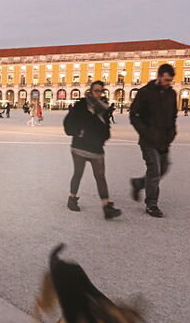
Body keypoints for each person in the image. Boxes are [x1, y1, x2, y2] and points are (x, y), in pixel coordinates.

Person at [63, 81, 121, 219]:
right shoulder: (81, 105)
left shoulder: (104, 108)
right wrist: (78, 133)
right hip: (79, 147)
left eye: (101, 91)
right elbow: (68, 123)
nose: (98, 93)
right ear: (90, 91)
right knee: (78, 173)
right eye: (96, 90)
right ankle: (72, 198)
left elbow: (106, 128)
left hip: (96, 147)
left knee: (100, 177)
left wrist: (103, 137)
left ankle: (107, 207)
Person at [129, 63, 177, 218]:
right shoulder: (145, 92)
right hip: (148, 140)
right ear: (159, 77)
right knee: (154, 170)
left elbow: (173, 116)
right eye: (166, 80)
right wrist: (144, 132)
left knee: (163, 168)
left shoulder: (172, 94)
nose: (168, 83)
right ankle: (152, 204)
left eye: (170, 81)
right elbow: (134, 114)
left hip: (164, 140)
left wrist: (171, 133)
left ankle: (138, 184)